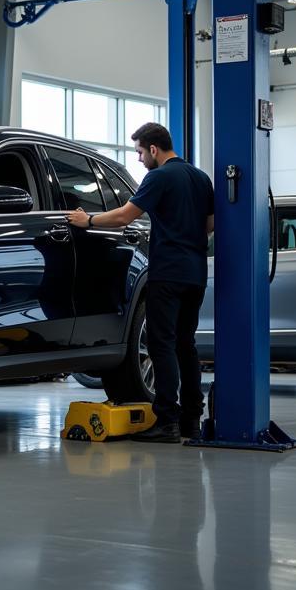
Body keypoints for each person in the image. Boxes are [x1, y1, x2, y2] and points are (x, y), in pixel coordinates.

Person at [67, 122, 214, 443]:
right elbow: (210, 224)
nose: (138, 160)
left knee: (162, 345)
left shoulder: (159, 177)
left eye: (138, 152)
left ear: (153, 149)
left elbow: (123, 216)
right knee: (186, 345)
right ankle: (192, 420)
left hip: (168, 273)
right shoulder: (200, 178)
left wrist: (86, 220)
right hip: (196, 274)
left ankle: (167, 421)